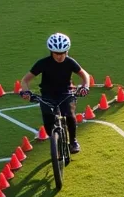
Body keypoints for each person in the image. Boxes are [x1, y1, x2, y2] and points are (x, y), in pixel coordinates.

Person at [19, 33, 91, 161]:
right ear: (51, 52)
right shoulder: (43, 63)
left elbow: (84, 75)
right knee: (48, 122)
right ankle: (54, 138)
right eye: (56, 53)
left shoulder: (70, 62)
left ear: (67, 51)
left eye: (62, 52)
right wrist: (26, 92)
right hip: (47, 94)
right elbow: (25, 80)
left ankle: (73, 141)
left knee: (69, 115)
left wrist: (85, 86)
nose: (60, 56)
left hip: (66, 92)